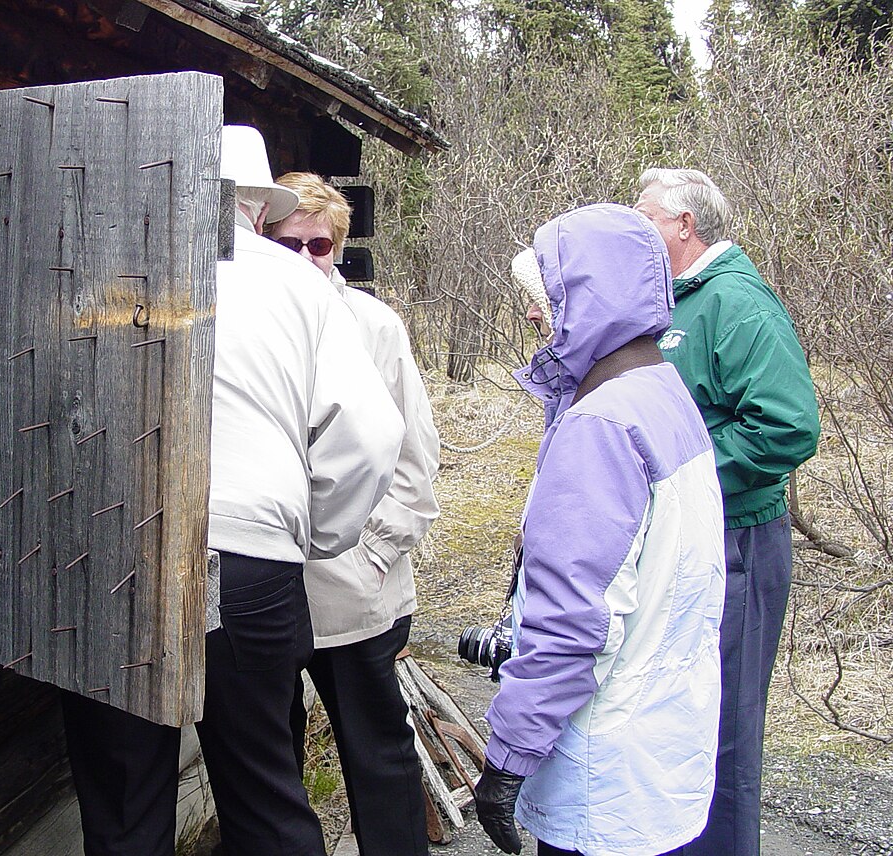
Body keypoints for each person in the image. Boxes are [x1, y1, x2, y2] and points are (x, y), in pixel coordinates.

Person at [61, 124, 404, 856]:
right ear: (257, 206)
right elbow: (372, 436)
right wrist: (313, 533)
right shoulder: (298, 287)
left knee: (124, 806)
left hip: (114, 552)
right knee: (264, 796)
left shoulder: (108, 268)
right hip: (252, 560)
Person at [473, 204, 727, 856]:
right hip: (663, 750)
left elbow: (571, 621)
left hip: (604, 771)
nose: (533, 313)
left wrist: (507, 758)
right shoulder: (661, 390)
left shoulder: (602, 424)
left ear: (591, 296)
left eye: (546, 297)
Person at [635, 168, 821, 856]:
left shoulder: (737, 303)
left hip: (738, 542)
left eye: (645, 214)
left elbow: (788, 426)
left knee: (726, 729)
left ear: (685, 225)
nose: (636, 227)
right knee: (678, 719)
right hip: (687, 541)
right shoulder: (681, 298)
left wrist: (683, 475)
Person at [268, 172, 440, 856]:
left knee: (379, 755)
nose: (307, 258)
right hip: (266, 592)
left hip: (356, 588)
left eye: (319, 245)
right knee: (273, 764)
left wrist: (374, 553)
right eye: (289, 244)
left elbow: (415, 457)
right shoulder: (245, 323)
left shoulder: (373, 326)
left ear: (337, 248)